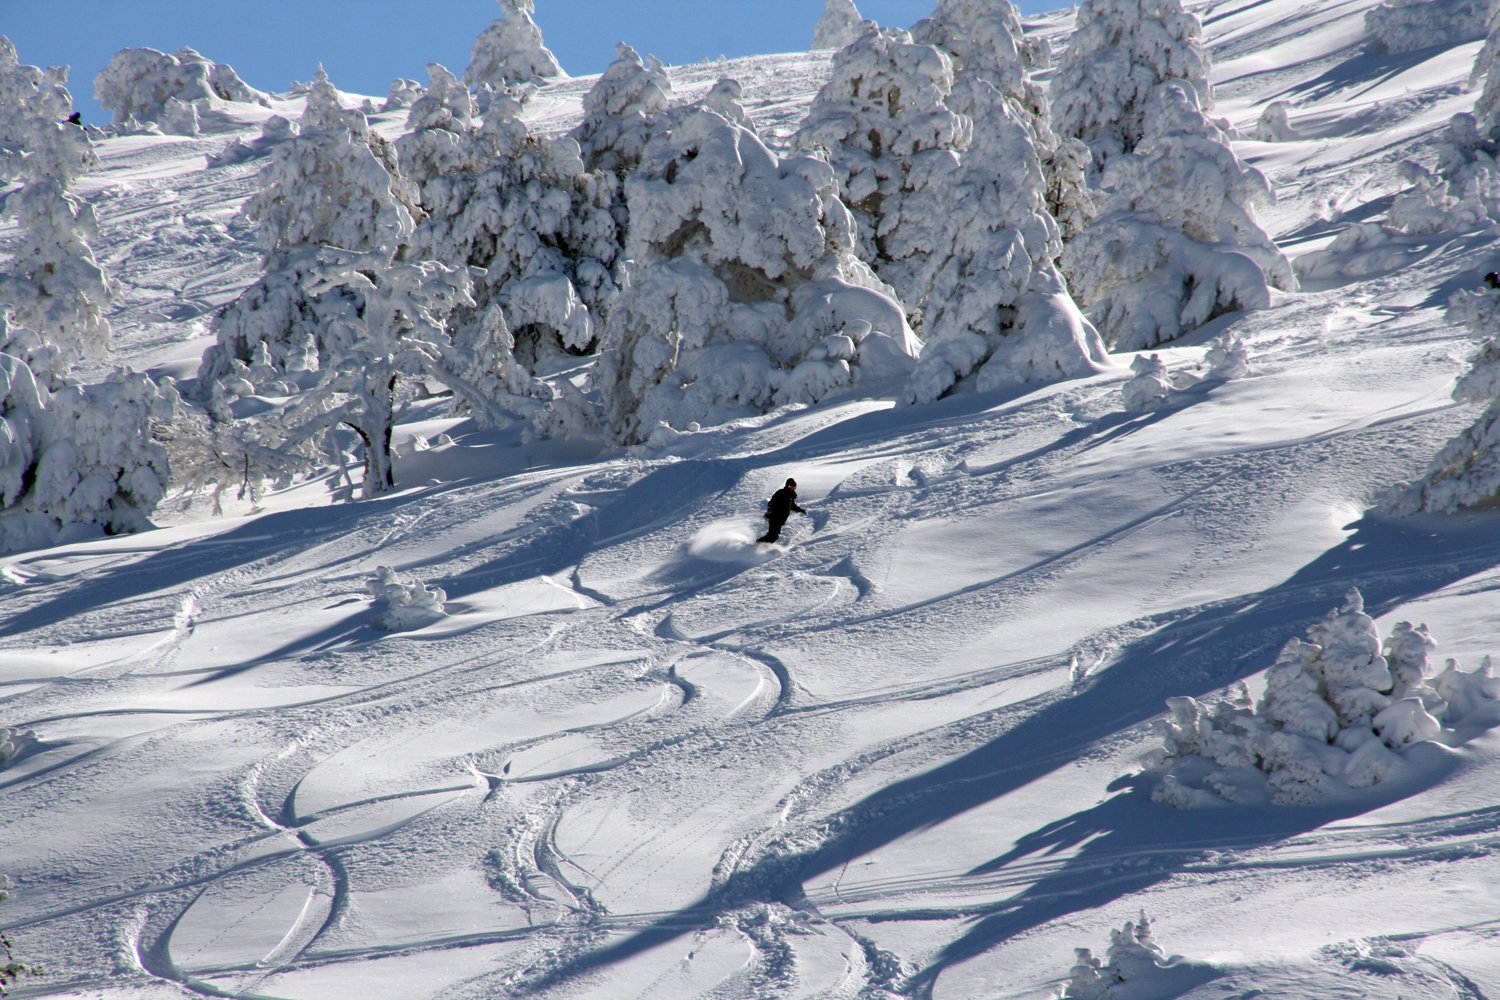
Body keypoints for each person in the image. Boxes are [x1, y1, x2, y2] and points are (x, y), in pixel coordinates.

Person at [757, 477, 807, 544]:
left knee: (773, 536)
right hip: (775, 517)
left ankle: (762, 545)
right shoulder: (780, 493)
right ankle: (757, 544)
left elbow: (792, 506)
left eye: (793, 487)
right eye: (789, 486)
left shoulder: (790, 497)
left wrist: (800, 510)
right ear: (786, 486)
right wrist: (770, 511)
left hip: (780, 519)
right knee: (773, 536)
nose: (791, 489)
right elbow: (771, 503)